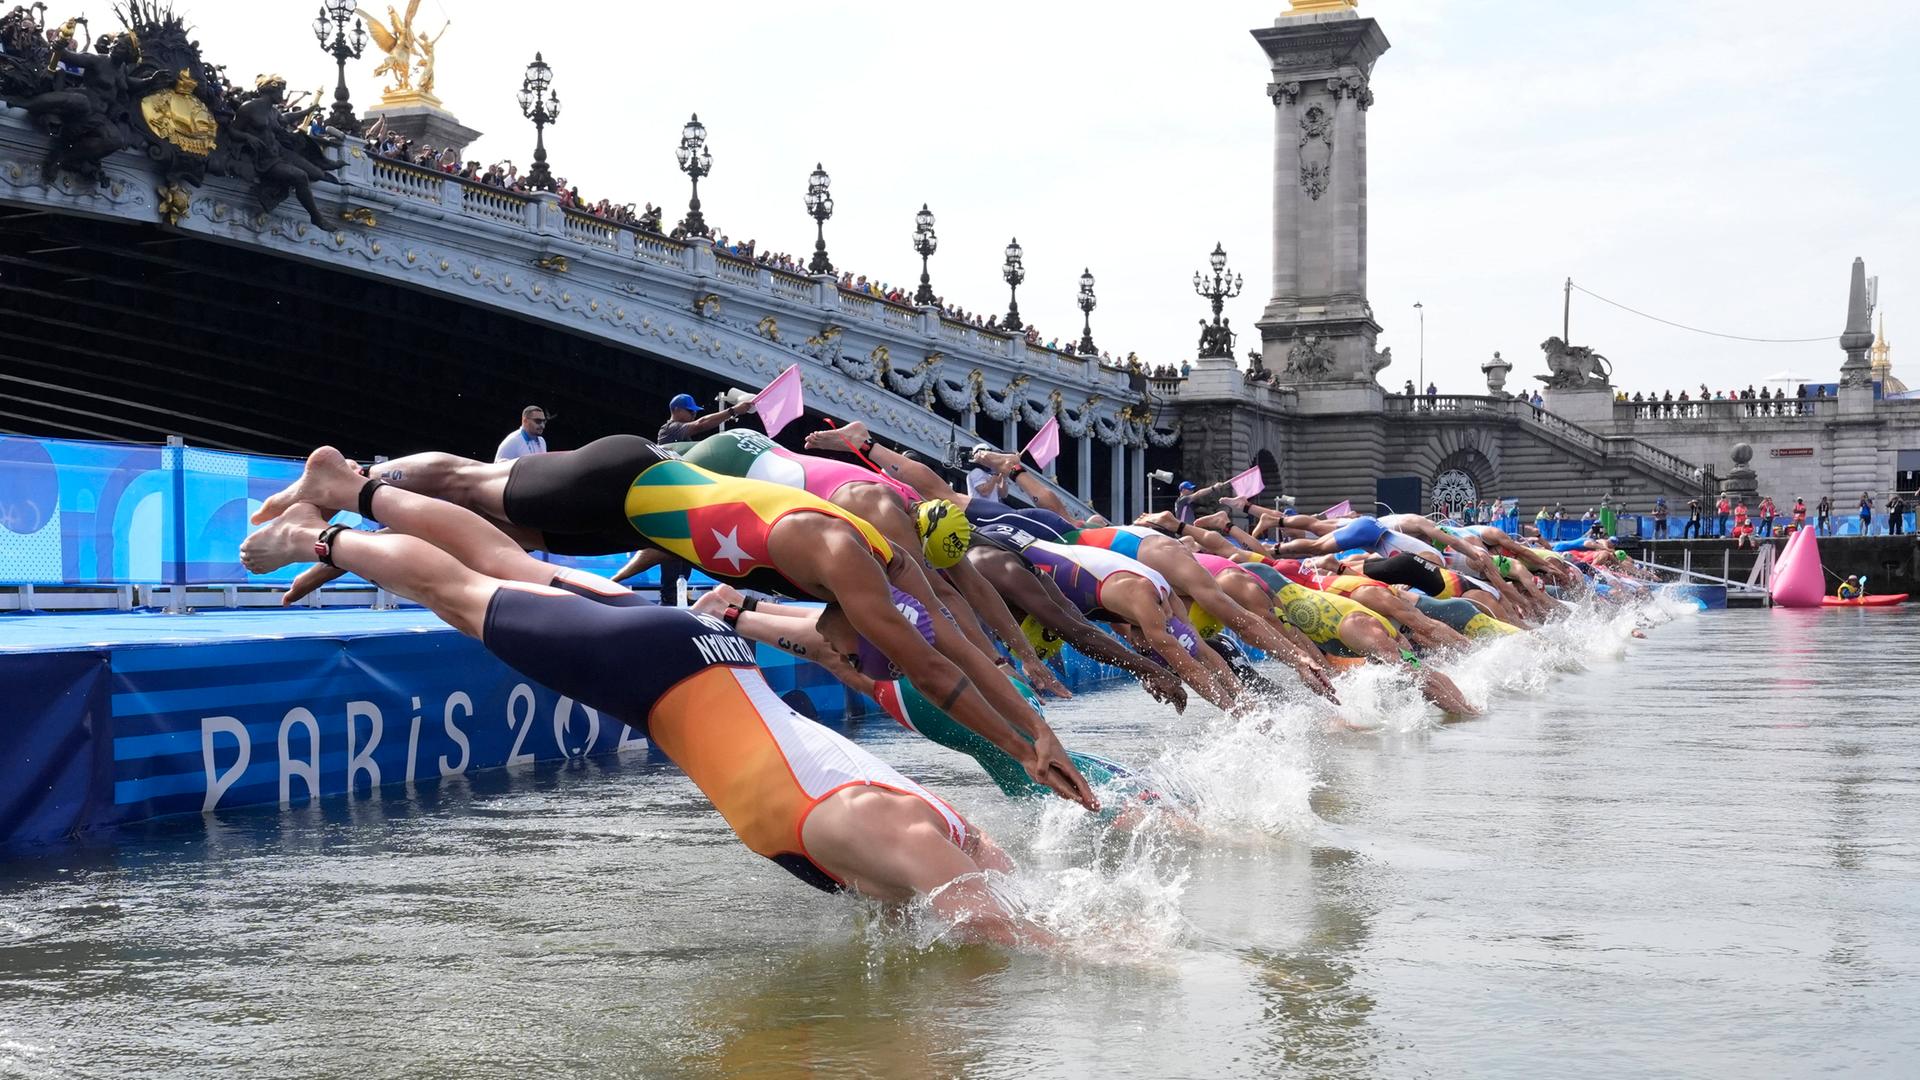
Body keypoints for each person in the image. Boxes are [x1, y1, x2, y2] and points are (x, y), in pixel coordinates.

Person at [238, 458, 1040, 942]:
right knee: (459, 591)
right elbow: (990, 930)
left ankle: (349, 485)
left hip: (694, 645)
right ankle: (309, 536)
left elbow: (972, 919)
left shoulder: (935, 829)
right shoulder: (897, 825)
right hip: (657, 673)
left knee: (494, 560)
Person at [254, 444, 1095, 810]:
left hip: (646, 491)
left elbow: (958, 643)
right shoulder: (853, 567)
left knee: (494, 522)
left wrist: (1035, 726)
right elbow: (934, 668)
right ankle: (350, 486)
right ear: (855, 619)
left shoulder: (891, 558)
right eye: (844, 644)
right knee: (480, 499)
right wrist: (1025, 747)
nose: (834, 652)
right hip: (627, 493)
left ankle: (350, 508)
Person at [659, 391, 757, 444]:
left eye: (695, 411)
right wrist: (733, 410)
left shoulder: (681, 432)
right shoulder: (669, 428)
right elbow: (700, 424)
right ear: (676, 410)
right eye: (690, 411)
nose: (694, 414)